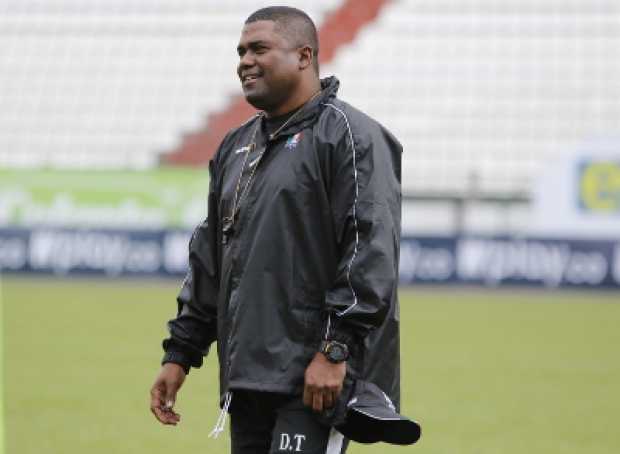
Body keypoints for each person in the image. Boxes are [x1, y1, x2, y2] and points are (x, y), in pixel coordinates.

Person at [149, 6, 408, 454]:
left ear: (304, 56)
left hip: (316, 379)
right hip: (248, 377)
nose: (244, 61)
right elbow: (211, 258)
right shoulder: (235, 146)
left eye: (259, 48)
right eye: (241, 51)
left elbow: (369, 249)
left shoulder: (350, 135)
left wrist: (335, 350)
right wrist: (180, 354)